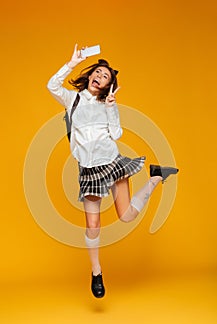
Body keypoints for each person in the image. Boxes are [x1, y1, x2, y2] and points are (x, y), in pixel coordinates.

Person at [47, 44, 179, 298]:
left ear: (108, 86)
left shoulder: (106, 103)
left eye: (106, 76)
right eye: (97, 72)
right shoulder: (72, 99)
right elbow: (52, 85)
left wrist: (111, 107)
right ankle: (97, 273)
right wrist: (72, 63)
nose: (100, 76)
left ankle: (154, 177)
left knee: (127, 216)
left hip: (112, 162)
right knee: (93, 226)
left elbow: (116, 134)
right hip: (88, 171)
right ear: (90, 76)